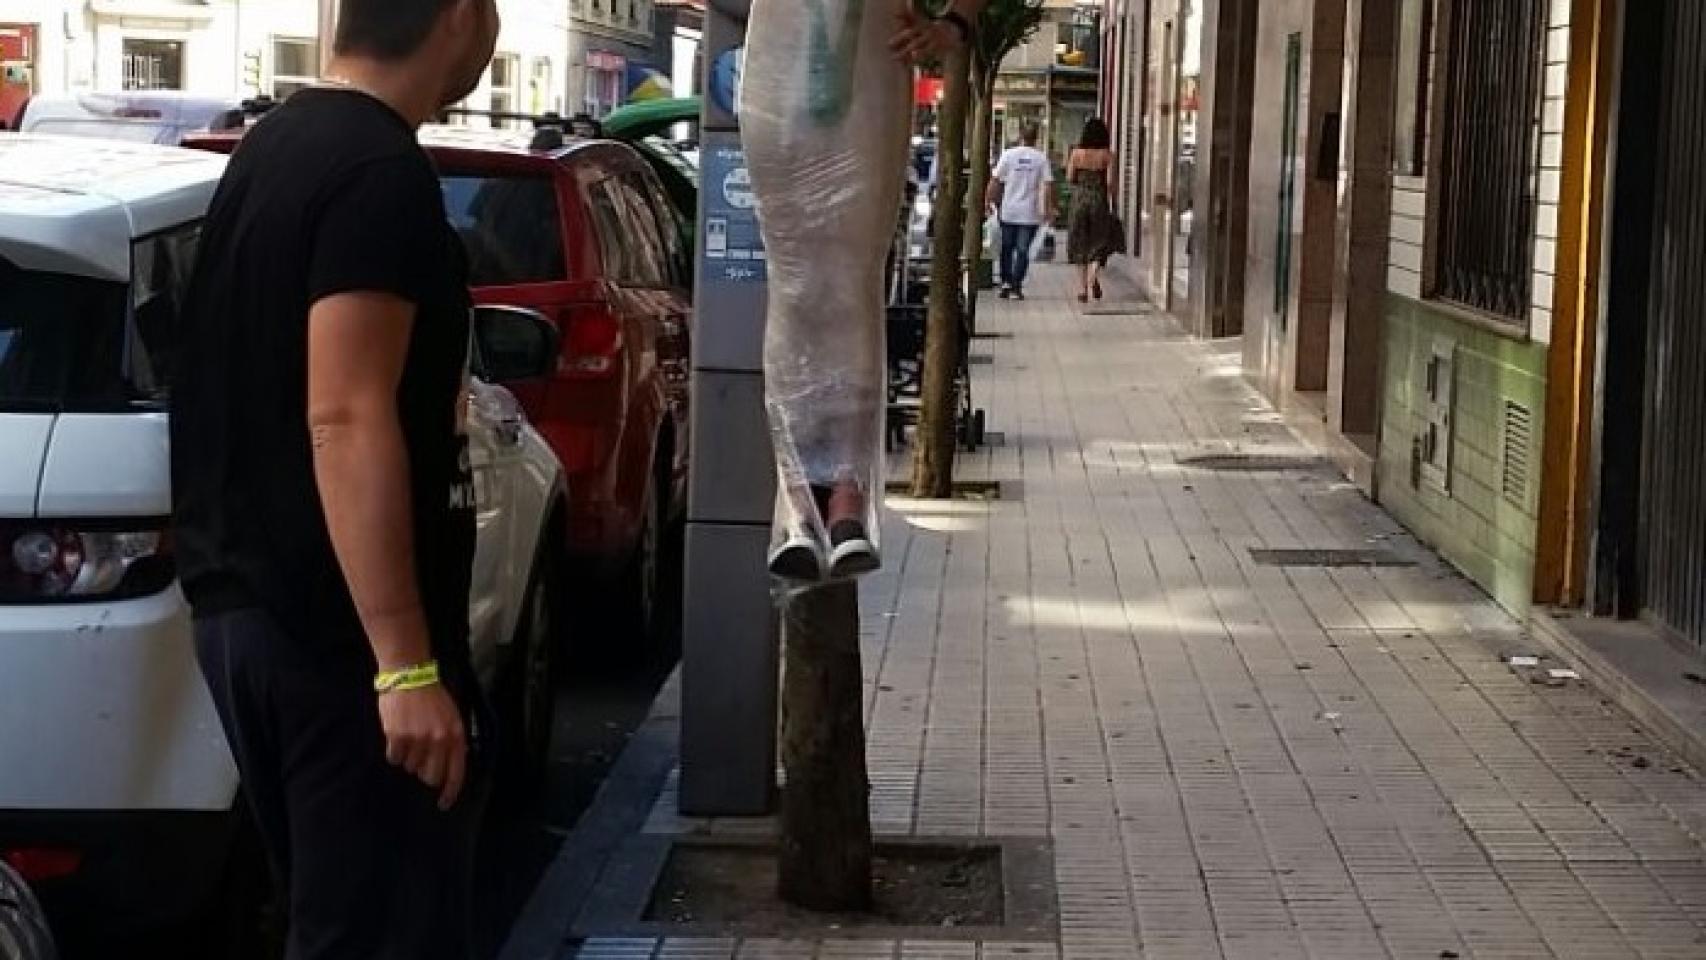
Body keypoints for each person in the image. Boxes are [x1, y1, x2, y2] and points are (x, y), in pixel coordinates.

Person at [169, 1, 499, 957]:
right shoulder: (377, 171)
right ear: (458, 16)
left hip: (252, 612)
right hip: (336, 641)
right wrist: (404, 663)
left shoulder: (274, 150)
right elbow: (345, 413)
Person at [987, 123, 1055, 301]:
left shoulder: (1008, 155)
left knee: (1006, 248)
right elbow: (1047, 185)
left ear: (1020, 137)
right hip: (1029, 213)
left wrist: (988, 200)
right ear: (1036, 138)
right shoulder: (1041, 158)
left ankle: (1006, 282)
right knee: (1023, 250)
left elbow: (995, 180)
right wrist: (1048, 210)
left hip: (1008, 210)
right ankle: (1016, 285)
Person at [1067, 117, 1124, 303]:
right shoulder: (1108, 156)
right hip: (1098, 200)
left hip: (1079, 200)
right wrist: (1112, 199)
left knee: (1079, 242)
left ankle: (1082, 288)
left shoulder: (1076, 154)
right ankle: (1093, 278)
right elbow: (1110, 183)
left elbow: (1069, 178)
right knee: (1099, 240)